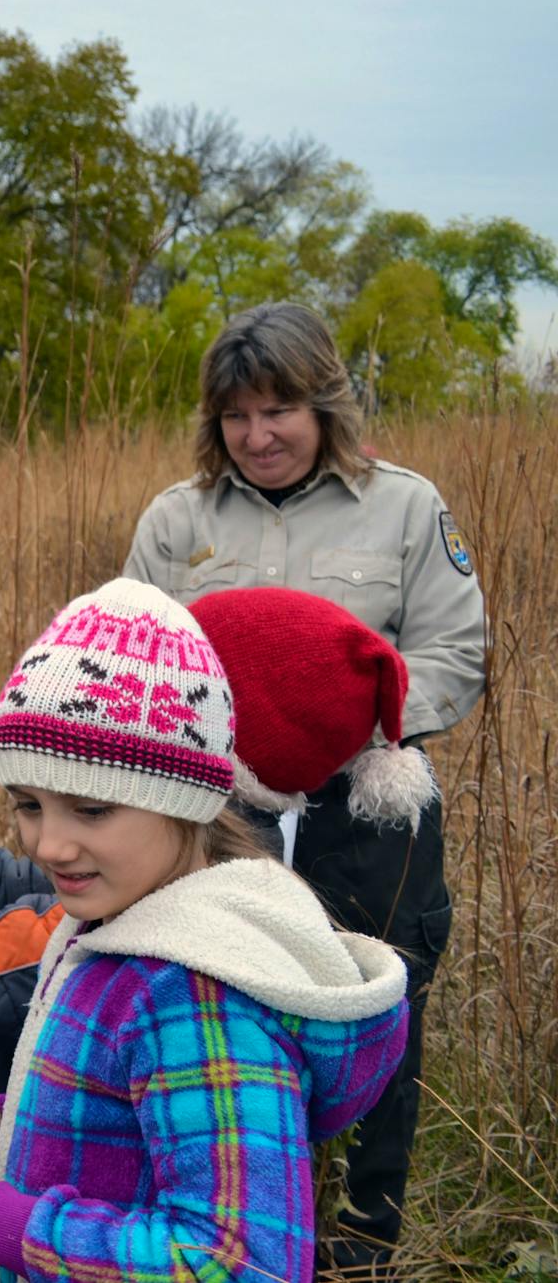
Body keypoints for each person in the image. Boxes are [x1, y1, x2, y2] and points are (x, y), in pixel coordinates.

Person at [0, 579, 408, 1281]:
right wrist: (10, 1114)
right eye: (28, 804)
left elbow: (246, 1263)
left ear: (185, 800)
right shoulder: (120, 916)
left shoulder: (197, 990)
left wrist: (2, 1217)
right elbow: (131, 1108)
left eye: (90, 809)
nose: (48, 844)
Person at [123, 301, 484, 1274]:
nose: (257, 435)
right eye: (235, 416)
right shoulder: (175, 519)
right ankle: (232, 1234)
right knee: (210, 1015)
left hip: (367, 807)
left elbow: (454, 649)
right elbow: (137, 658)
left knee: (377, 1016)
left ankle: (361, 1245)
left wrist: (363, 728)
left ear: (324, 404)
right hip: (216, 817)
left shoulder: (404, 507)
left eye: (276, 409)